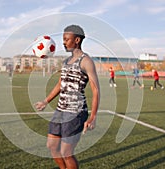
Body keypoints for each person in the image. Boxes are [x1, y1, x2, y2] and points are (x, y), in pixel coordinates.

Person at [35, 25, 100, 169]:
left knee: (66, 152)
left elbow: (96, 90)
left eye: (66, 39)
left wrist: (93, 117)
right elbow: (60, 83)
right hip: (60, 110)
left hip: (75, 112)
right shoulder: (66, 61)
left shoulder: (86, 61)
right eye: (63, 39)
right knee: (52, 146)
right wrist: (46, 101)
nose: (63, 42)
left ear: (76, 40)